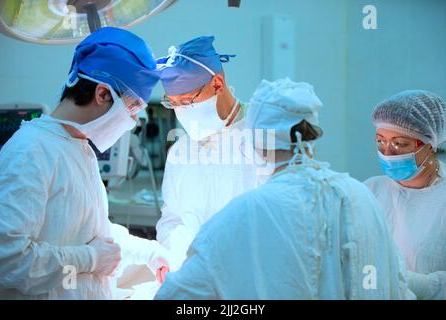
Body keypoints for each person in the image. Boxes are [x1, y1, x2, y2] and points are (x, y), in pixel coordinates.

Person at [155, 78, 412, 299]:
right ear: (312, 135)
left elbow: (178, 293)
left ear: (255, 140)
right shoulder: (360, 195)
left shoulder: (250, 210)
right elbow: (397, 282)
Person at [0, 27, 170, 299]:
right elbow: (7, 261)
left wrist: (146, 252)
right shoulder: (30, 151)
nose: (134, 120)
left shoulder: (77, 147)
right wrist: (89, 259)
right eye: (133, 107)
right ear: (102, 95)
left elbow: (84, 231)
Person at [155, 36, 258, 270]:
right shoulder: (180, 151)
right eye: (174, 103)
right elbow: (171, 220)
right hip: (194, 278)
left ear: (217, 83)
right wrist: (181, 252)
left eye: (187, 101)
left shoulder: (261, 136)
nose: (181, 111)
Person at [365, 90, 446, 300]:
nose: (387, 153)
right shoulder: (370, 191)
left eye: (399, 144)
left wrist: (406, 282)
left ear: (430, 145)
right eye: (380, 141)